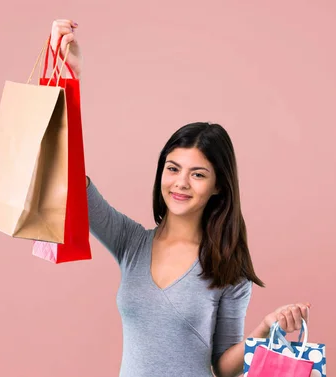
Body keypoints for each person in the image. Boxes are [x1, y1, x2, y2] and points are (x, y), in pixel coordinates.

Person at [52, 19, 311, 377]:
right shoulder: (131, 244)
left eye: (198, 174)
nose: (181, 183)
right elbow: (69, 177)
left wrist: (263, 330)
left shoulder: (228, 267)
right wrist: (70, 80)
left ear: (219, 185)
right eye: (173, 168)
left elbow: (223, 368)